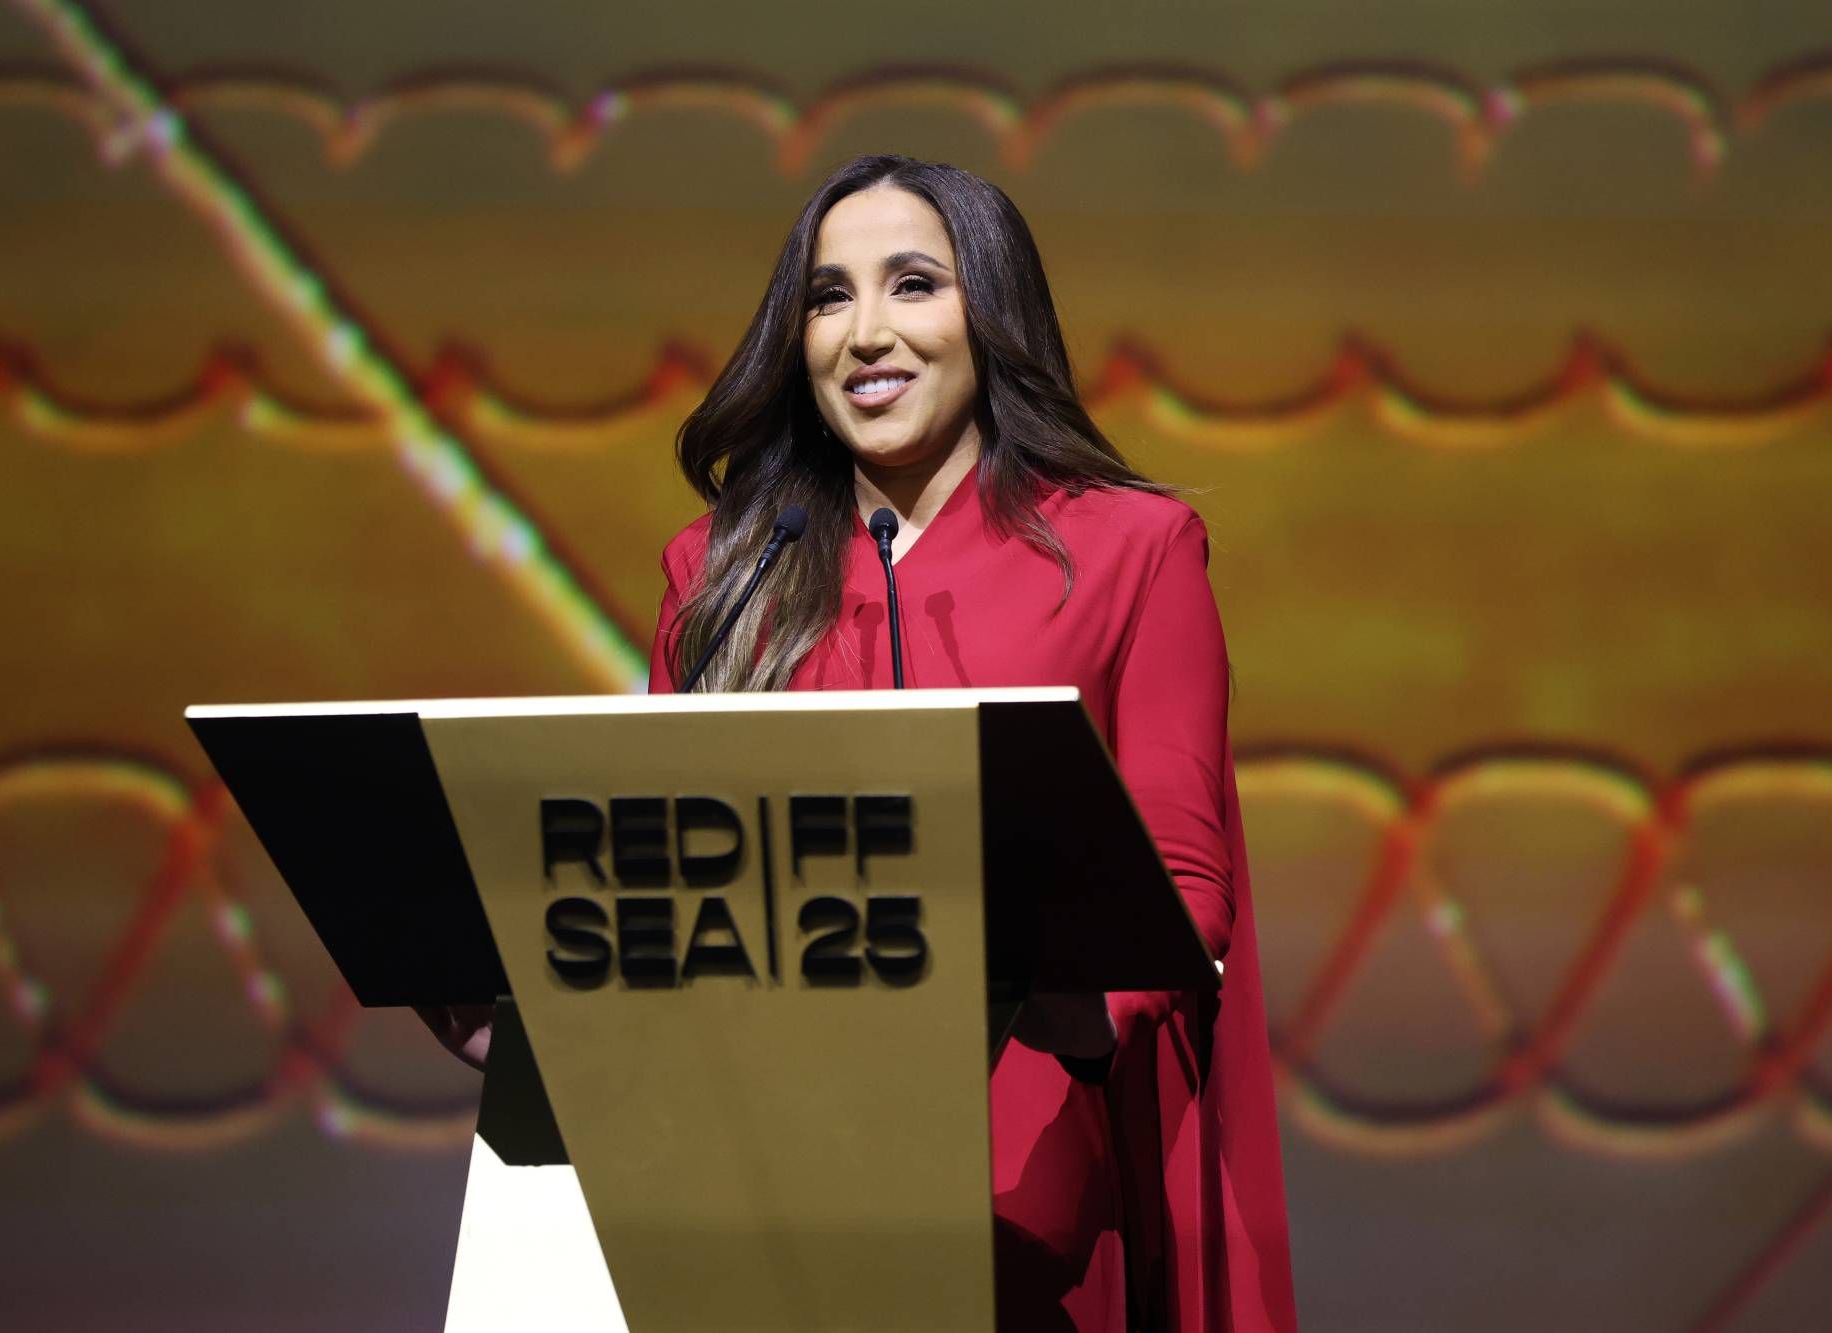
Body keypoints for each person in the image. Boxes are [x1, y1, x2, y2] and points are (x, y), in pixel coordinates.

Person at [424, 152, 1296, 1333]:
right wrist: (549, 1041)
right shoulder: (726, 570)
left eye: (912, 284)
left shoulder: (1132, 547)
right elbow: (673, 899)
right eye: (828, 297)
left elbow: (1184, 885)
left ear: (991, 313)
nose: (864, 332)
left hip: (1027, 1190)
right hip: (766, 1187)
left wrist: (1066, 1005)